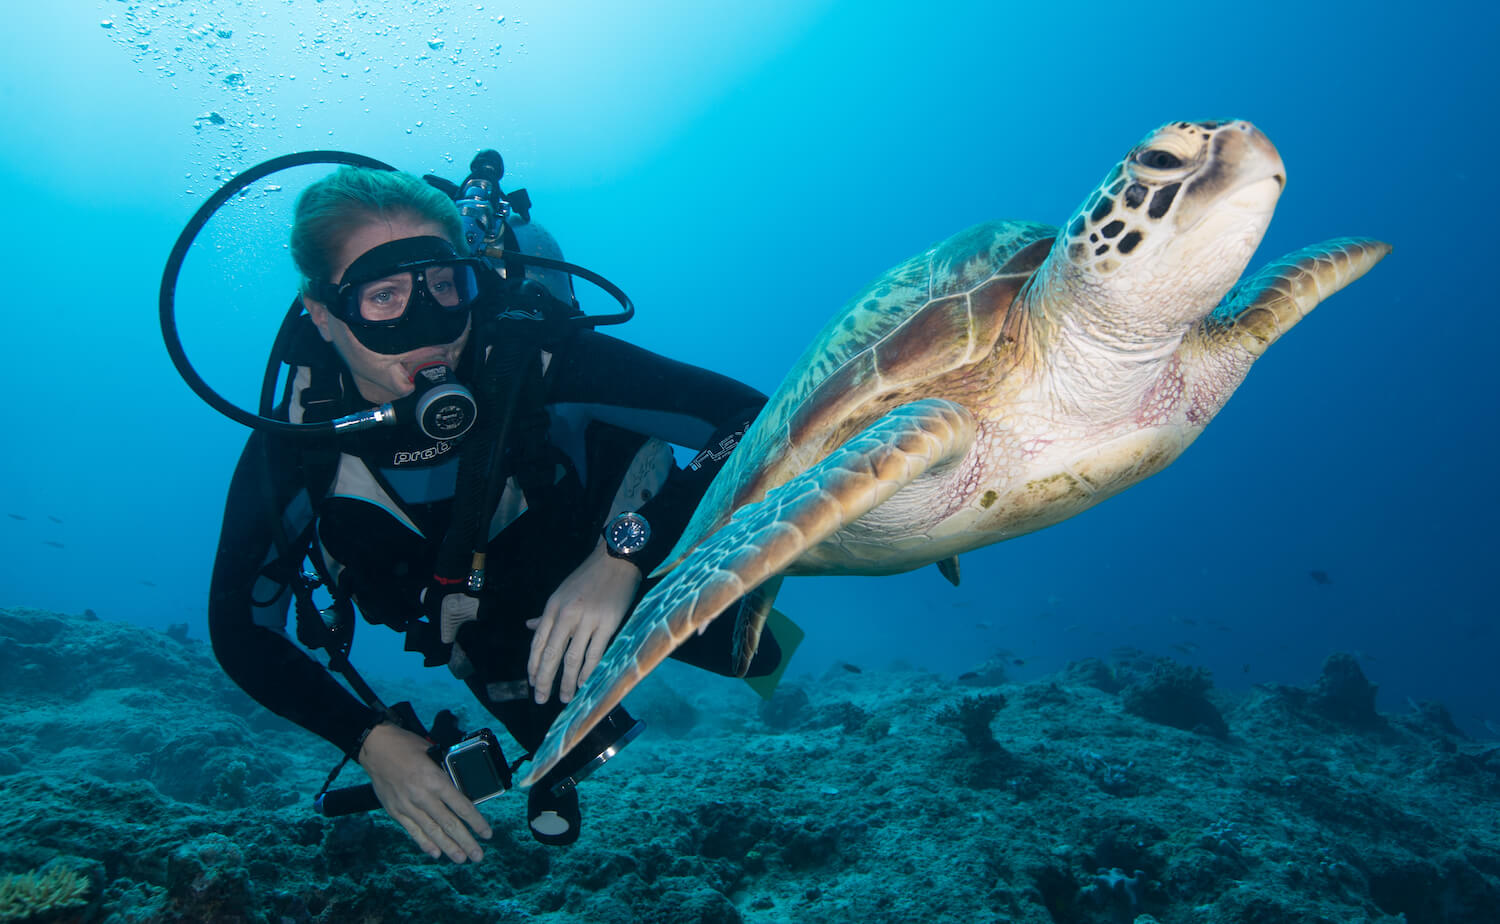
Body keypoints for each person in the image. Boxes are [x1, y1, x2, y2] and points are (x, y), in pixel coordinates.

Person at [207, 164, 781, 862]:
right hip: (480, 615)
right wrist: (370, 741)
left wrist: (624, 552)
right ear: (323, 314)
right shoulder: (300, 443)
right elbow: (240, 629)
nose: (429, 329)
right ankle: (558, 736)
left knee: (760, 651)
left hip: (612, 547)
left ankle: (682, 615)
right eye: (383, 298)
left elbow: (759, 420)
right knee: (499, 659)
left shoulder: (533, 355)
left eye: (444, 288)